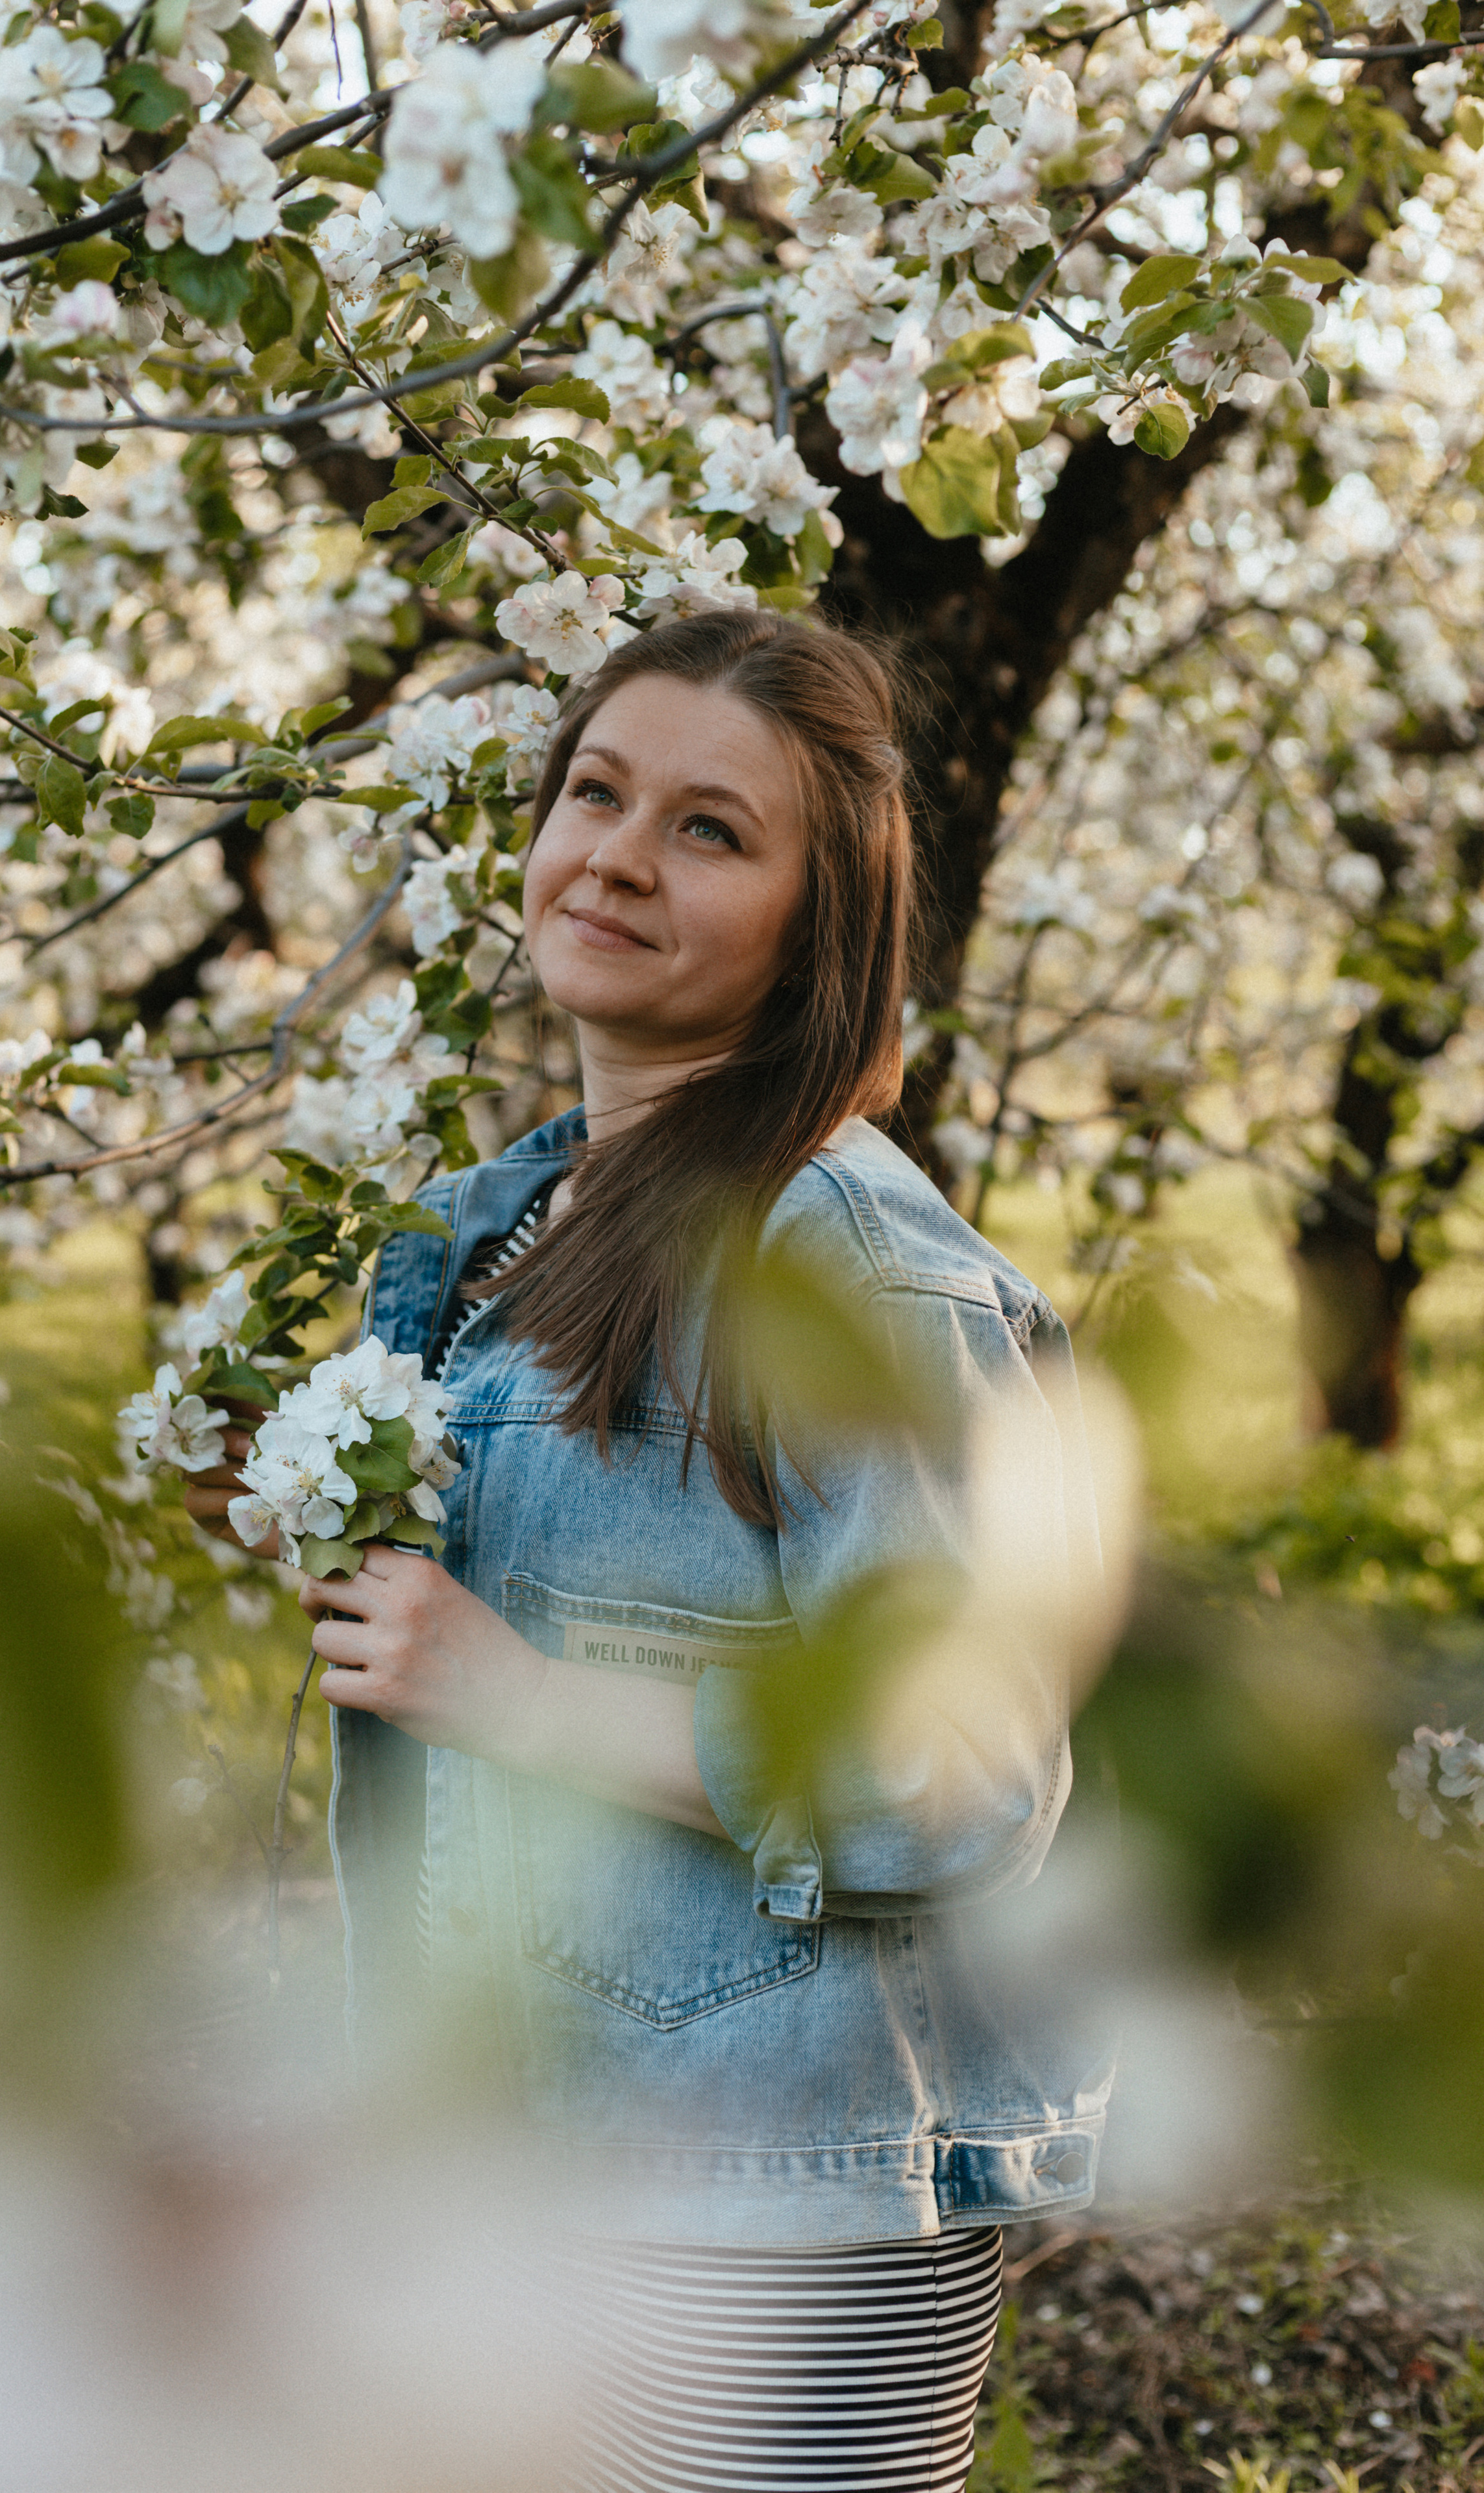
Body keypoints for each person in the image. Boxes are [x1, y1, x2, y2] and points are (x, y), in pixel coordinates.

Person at [190, 611, 1111, 2493]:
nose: (614, 852)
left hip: (778, 2206)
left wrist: (514, 1691)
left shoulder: (842, 1263)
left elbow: (962, 1778)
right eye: (596, 792)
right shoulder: (505, 1225)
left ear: (815, 924)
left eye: (710, 829)